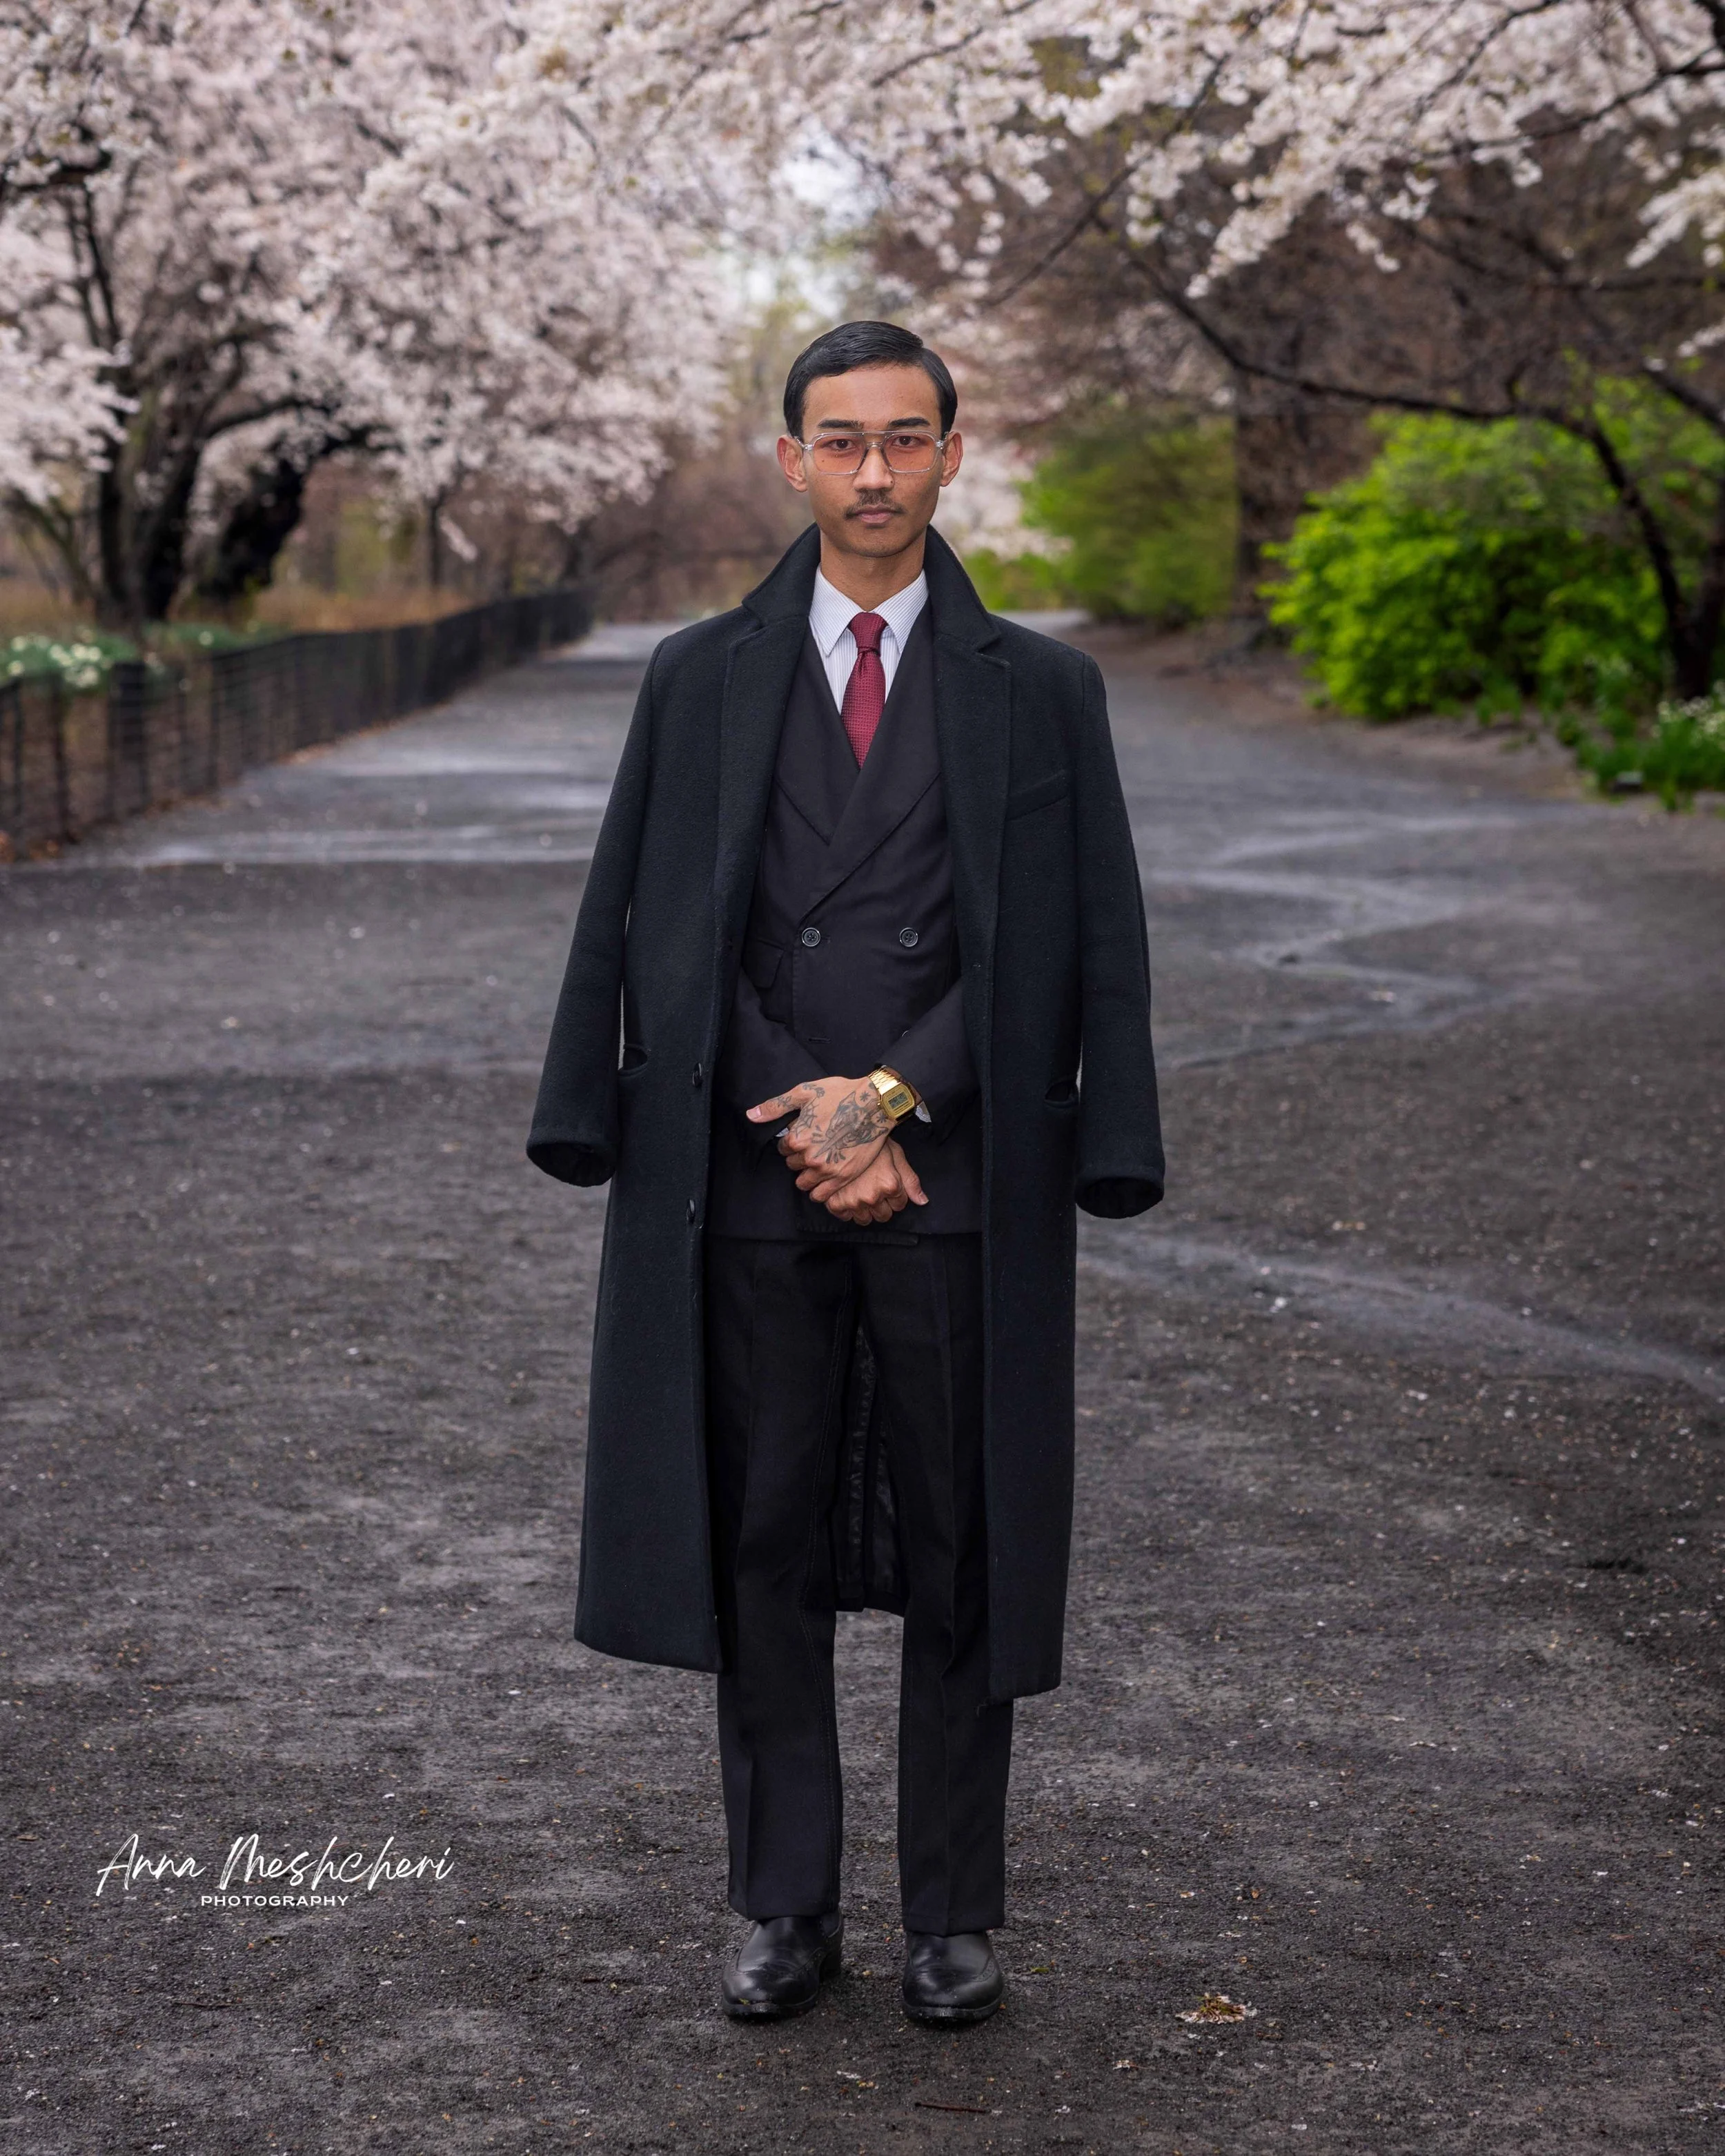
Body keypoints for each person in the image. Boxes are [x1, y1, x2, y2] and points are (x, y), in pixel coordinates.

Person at [528, 320, 1163, 2025]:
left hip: (954, 1172)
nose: (873, 471)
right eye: (840, 438)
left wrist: (884, 1100)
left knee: (966, 1535)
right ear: (790, 456)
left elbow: (1068, 943)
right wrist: (800, 1114)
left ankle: (951, 1910)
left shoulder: (1042, 688)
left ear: (954, 451)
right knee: (765, 1532)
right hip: (750, 1168)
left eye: (905, 437)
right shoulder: (695, 675)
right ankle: (781, 1902)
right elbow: (654, 925)